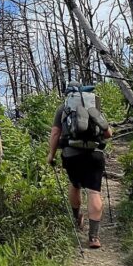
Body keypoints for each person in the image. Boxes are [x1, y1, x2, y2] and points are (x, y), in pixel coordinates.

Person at [47, 88, 112, 249]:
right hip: (95, 154)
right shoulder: (93, 105)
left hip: (71, 155)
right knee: (94, 191)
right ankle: (94, 237)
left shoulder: (64, 108)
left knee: (75, 185)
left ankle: (77, 219)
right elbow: (108, 133)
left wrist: (51, 155)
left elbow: (55, 133)